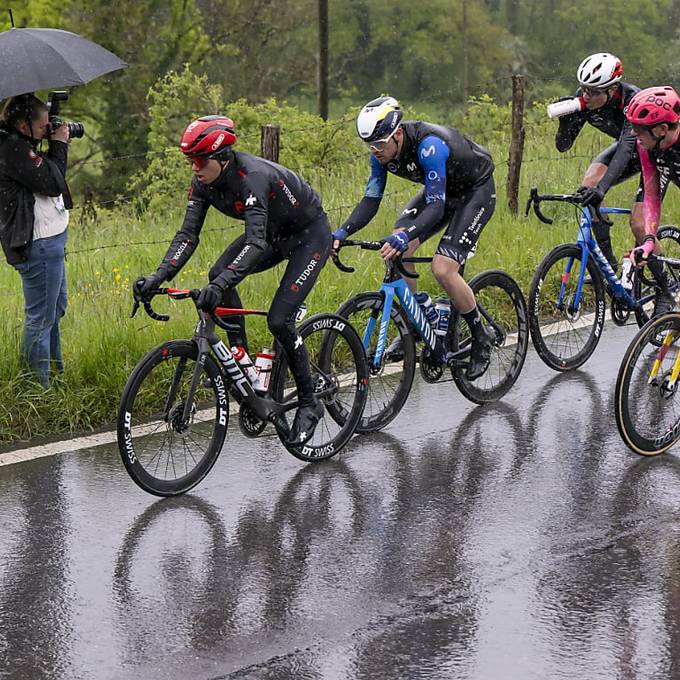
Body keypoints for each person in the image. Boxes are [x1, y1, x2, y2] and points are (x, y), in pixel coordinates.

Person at [133, 116, 332, 445]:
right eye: (190, 161)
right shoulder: (202, 181)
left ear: (222, 158)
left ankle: (310, 403)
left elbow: (254, 244)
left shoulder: (252, 177)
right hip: (272, 234)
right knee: (217, 275)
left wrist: (221, 285)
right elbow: (187, 235)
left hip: (308, 237)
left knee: (279, 320)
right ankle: (242, 358)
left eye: (199, 160)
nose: (194, 168)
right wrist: (159, 275)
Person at [332, 96, 496, 380]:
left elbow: (435, 207)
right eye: (370, 146)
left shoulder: (429, 146)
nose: (376, 151)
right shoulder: (380, 153)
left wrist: (407, 235)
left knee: (443, 268)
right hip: (442, 190)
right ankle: (416, 322)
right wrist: (342, 231)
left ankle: (481, 336)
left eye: (380, 145)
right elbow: (371, 201)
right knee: (398, 246)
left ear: (397, 134)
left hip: (474, 191)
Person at [0, 93, 71, 388]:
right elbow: (54, 183)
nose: (48, 130)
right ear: (23, 125)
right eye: (43, 127)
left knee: (55, 310)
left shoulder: (18, 143)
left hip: (49, 241)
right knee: (40, 318)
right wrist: (60, 145)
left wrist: (48, 142)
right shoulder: (11, 148)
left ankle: (55, 377)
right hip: (38, 243)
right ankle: (36, 388)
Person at [552, 52, 643, 274]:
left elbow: (625, 148)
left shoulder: (631, 99)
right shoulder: (584, 99)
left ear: (612, 90)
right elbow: (563, 146)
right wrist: (566, 123)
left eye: (592, 92)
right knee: (589, 183)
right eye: (583, 89)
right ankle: (608, 266)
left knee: (639, 223)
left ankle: (665, 294)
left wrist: (603, 189)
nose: (586, 95)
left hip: (653, 154)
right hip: (629, 149)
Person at [625, 85, 680, 315]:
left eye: (639, 129)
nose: (633, 134)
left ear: (662, 129)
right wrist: (648, 241)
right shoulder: (647, 146)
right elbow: (652, 196)